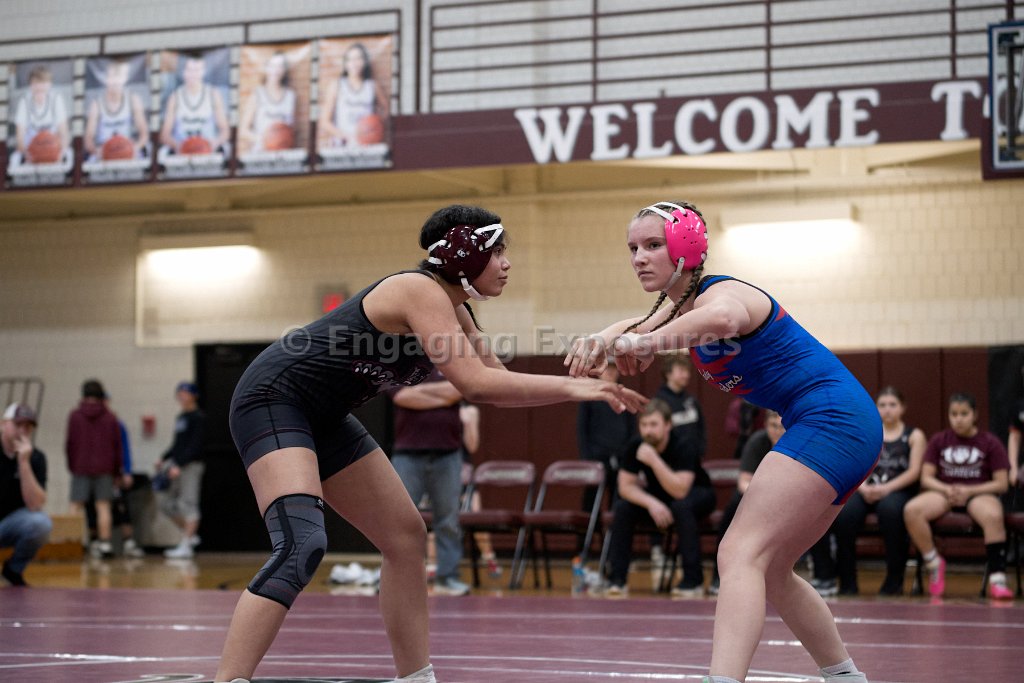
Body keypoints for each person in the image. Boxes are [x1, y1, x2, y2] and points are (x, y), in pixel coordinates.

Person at [214, 204, 645, 683]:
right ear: (464, 253)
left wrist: (581, 383)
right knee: (302, 542)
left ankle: (416, 678)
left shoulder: (457, 310)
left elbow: (497, 382)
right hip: (274, 400)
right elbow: (475, 385)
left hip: (325, 416)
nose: (507, 264)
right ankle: (229, 680)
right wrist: (576, 389)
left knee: (405, 538)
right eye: (497, 252)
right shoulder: (418, 290)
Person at [565, 200, 882, 683]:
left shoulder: (724, 293)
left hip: (832, 420)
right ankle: (845, 678)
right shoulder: (683, 310)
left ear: (685, 247)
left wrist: (645, 343)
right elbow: (640, 326)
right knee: (772, 569)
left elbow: (725, 319)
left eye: (652, 245)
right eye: (632, 248)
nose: (639, 258)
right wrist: (602, 338)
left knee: (738, 553)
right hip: (842, 425)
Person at [810, 387, 926, 597]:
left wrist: (886, 489)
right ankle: (848, 582)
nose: (887, 409)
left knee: (891, 512)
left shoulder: (914, 435)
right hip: (864, 488)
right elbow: (853, 463)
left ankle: (893, 582)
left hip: (897, 490)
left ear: (902, 408)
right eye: (882, 405)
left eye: (892, 405)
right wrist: (862, 488)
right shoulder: (868, 431)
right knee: (844, 514)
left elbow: (914, 471)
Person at [903, 392, 1012, 600]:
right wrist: (946, 489)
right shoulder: (939, 440)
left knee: (993, 515)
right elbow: (926, 478)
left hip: (978, 492)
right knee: (912, 510)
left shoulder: (990, 442)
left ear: (974, 415)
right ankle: (934, 562)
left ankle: (997, 579)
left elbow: (1002, 483)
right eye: (953, 414)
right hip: (946, 491)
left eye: (964, 414)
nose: (958, 419)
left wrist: (969, 491)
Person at [604, 398, 715, 598]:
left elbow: (680, 491)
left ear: (668, 425)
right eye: (644, 425)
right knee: (622, 508)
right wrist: (651, 503)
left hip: (697, 493)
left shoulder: (684, 444)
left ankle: (693, 581)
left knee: (681, 506)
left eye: (654, 424)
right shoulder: (636, 445)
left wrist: (654, 460)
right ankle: (617, 580)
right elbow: (625, 487)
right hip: (660, 497)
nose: (648, 431)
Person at [388, 368, 471, 596]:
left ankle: (447, 577)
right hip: (407, 455)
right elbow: (402, 397)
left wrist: (421, 394)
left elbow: (459, 390)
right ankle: (397, 578)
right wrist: (443, 397)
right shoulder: (401, 364)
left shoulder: (453, 364)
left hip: (448, 454)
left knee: (448, 520)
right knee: (399, 521)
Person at [709, 410, 785, 595]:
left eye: (782, 427)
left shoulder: (799, 444)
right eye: (773, 426)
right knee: (734, 507)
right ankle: (719, 577)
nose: (777, 431)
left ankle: (824, 576)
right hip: (759, 497)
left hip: (788, 499)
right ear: (766, 425)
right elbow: (744, 482)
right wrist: (764, 499)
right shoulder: (757, 442)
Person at [65, 379, 123, 559]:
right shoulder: (110, 417)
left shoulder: (75, 416)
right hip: (104, 467)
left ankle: (71, 543)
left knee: (75, 505)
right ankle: (105, 544)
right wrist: (117, 471)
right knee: (103, 506)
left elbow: (70, 444)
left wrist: (72, 465)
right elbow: (117, 446)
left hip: (80, 466)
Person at [0, 404, 51, 587]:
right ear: (3, 424)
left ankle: (13, 570)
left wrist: (23, 463)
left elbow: (35, 504)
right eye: (17, 424)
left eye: (27, 426)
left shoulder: (36, 457)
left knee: (40, 523)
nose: (22, 431)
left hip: (10, 524)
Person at [576, 363, 636, 513]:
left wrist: (628, 455)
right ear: (599, 372)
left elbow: (632, 428)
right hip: (597, 457)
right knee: (591, 499)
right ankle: (588, 528)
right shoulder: (590, 396)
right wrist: (587, 457)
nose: (610, 372)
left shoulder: (625, 396)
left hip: (620, 457)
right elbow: (582, 428)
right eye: (606, 369)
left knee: (618, 498)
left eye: (613, 369)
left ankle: (613, 527)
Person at [157, 381, 207, 560]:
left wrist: (180, 464)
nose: (182, 396)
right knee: (165, 503)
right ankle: (190, 536)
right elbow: (178, 444)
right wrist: (164, 458)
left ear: (194, 395)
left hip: (191, 466)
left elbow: (195, 445)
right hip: (176, 465)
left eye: (185, 393)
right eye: (180, 393)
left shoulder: (198, 417)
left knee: (188, 504)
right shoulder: (181, 417)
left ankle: (186, 545)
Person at [318, 42, 387, 148]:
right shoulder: (337, 85)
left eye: (358, 58)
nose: (354, 63)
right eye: (350, 59)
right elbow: (324, 121)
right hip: (342, 146)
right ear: (345, 64)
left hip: (366, 146)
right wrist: (343, 135)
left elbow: (385, 108)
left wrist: (374, 127)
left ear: (365, 62)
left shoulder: (371, 86)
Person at [159, 53, 230, 154]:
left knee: (227, 150)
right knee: (162, 153)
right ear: (183, 72)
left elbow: (225, 131)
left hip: (208, 148)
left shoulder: (213, 94)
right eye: (189, 70)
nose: (193, 74)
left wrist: (214, 143)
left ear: (203, 71)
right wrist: (177, 146)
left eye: (196, 70)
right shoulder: (175, 97)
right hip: (181, 148)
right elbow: (164, 134)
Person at [83, 60, 148, 160]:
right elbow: (88, 139)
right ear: (106, 78)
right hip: (103, 151)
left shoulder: (133, 100)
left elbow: (144, 134)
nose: (115, 81)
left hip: (127, 149)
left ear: (125, 78)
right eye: (112, 77)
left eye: (118, 77)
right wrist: (97, 151)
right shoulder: (96, 105)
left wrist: (135, 147)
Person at [238, 51, 296, 153]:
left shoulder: (290, 96)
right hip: (261, 153)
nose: (276, 70)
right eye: (273, 66)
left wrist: (283, 138)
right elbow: (243, 131)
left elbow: (291, 128)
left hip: (283, 154)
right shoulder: (257, 94)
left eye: (280, 66)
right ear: (266, 68)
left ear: (284, 70)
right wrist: (266, 139)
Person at [12, 64, 70, 165]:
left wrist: (60, 151)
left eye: (43, 82)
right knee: (14, 159)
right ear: (30, 85)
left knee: (69, 155)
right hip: (30, 148)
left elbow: (64, 132)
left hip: (52, 146)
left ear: (49, 84)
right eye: (35, 83)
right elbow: (19, 136)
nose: (39, 86)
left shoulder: (56, 99)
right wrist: (26, 153)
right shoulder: (24, 101)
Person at [655, 354, 706, 458]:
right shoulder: (659, 403)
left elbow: (701, 429)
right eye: (681, 371)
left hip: (693, 460)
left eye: (687, 371)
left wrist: (700, 450)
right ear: (668, 374)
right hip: (669, 460)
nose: (686, 375)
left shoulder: (691, 401)